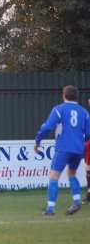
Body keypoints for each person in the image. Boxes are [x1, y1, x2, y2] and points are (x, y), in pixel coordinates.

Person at [34, 85, 90, 215]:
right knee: (72, 174)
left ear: (63, 95)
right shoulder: (84, 112)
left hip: (64, 147)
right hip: (78, 148)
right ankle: (76, 201)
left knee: (54, 175)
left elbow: (48, 126)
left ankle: (50, 209)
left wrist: (38, 140)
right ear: (76, 96)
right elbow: (88, 133)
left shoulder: (59, 109)